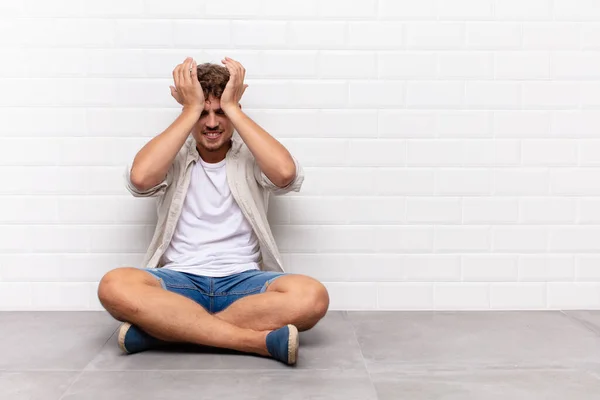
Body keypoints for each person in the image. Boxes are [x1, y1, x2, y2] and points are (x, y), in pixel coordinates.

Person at [97, 56, 329, 366]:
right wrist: (189, 108)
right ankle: (252, 341)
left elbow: (285, 174)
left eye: (220, 112)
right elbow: (140, 180)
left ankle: (167, 330)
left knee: (312, 296)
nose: (211, 123)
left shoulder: (251, 155)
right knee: (113, 285)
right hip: (179, 282)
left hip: (243, 282)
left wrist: (233, 106)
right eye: (202, 113)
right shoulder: (173, 154)